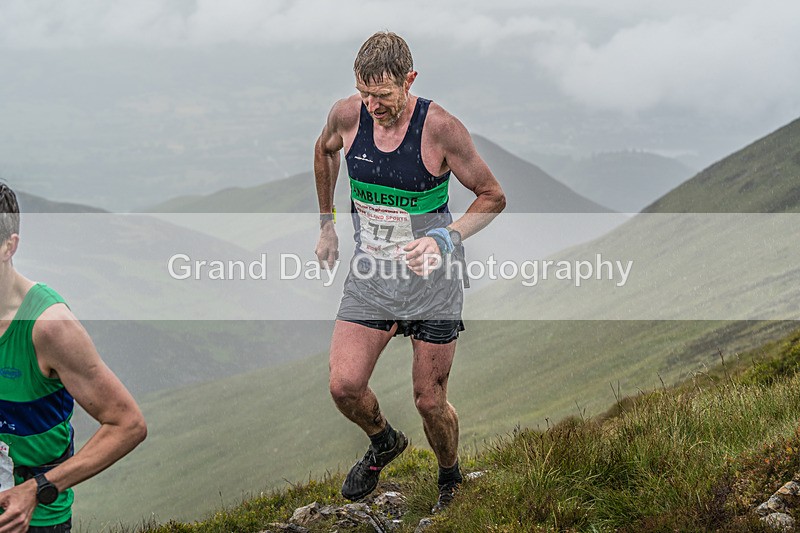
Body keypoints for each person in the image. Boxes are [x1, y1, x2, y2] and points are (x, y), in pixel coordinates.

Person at [313, 32, 505, 513]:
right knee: (344, 386)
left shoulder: (440, 128)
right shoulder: (346, 115)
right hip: (372, 276)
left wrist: (445, 238)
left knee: (429, 401)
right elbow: (325, 150)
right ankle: (384, 442)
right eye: (364, 93)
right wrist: (327, 224)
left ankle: (449, 477)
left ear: (410, 80)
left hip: (432, 284)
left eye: (383, 95)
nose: (372, 106)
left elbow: (492, 196)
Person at [0, 183, 147, 532]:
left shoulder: (49, 327)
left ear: (9, 246)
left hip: (29, 520)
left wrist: (36, 490)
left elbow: (127, 424)